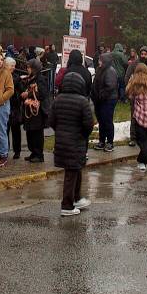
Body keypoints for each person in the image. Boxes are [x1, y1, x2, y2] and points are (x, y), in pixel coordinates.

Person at [48, 71, 94, 217]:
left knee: (75, 168)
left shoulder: (57, 99)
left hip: (62, 141)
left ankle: (77, 197)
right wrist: (83, 136)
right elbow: (88, 123)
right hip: (76, 141)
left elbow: (51, 121)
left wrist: (60, 131)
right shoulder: (83, 101)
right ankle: (67, 205)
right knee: (71, 172)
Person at [21, 57, 51, 163]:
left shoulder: (41, 79)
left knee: (37, 133)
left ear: (35, 68)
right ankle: (33, 152)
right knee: (30, 132)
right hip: (30, 110)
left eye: (29, 67)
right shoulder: (30, 78)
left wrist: (28, 94)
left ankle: (39, 154)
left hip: (37, 111)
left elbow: (42, 94)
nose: (27, 69)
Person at [91, 52, 118, 152]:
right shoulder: (100, 70)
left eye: (100, 60)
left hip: (108, 100)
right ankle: (101, 141)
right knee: (101, 121)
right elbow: (96, 83)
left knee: (107, 120)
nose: (99, 62)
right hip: (99, 100)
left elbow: (110, 86)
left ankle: (110, 142)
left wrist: (101, 95)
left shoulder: (110, 71)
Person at [7, 57, 24, 160]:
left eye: (14, 65)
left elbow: (21, 90)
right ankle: (5, 149)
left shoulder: (16, 77)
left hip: (15, 106)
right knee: (5, 130)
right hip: (6, 106)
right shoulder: (5, 76)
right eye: (12, 66)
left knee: (16, 130)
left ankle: (17, 151)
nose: (14, 67)